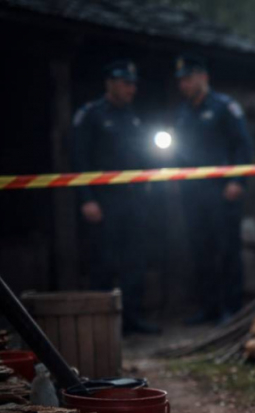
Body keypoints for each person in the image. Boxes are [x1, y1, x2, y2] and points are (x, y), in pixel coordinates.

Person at [71, 60, 161, 335]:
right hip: (104, 201)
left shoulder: (133, 117)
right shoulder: (91, 115)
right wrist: (87, 198)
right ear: (110, 83)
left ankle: (131, 318)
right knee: (104, 261)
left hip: (133, 202)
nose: (131, 89)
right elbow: (79, 159)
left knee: (135, 260)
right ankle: (103, 324)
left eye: (133, 84)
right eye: (126, 83)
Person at [174, 54, 254, 325]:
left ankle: (231, 309)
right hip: (192, 194)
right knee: (200, 251)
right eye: (180, 80)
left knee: (228, 250)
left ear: (202, 77)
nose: (183, 84)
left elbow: (243, 146)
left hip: (222, 192)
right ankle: (207, 308)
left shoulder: (224, 107)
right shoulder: (184, 112)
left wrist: (237, 181)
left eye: (188, 78)